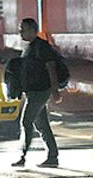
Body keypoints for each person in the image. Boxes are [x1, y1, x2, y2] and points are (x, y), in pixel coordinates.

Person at [13, 18, 60, 168]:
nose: (20, 32)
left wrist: (54, 90)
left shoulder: (41, 47)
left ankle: (22, 155)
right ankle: (52, 156)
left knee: (26, 121)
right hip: (33, 91)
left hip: (40, 91)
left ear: (33, 30)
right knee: (42, 124)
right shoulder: (30, 47)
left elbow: (51, 67)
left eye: (23, 29)